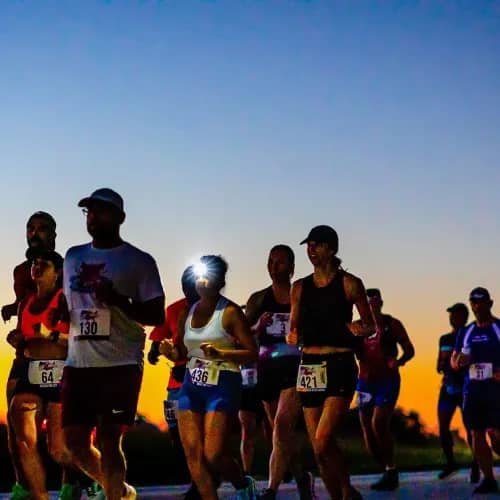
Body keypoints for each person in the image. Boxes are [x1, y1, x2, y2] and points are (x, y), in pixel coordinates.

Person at [61, 188, 165, 500]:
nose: (93, 217)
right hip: (79, 363)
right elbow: (71, 305)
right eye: (89, 211)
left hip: (120, 363)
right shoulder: (73, 257)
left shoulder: (138, 261)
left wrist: (118, 300)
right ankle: (119, 491)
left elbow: (156, 315)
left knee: (109, 439)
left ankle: (114, 496)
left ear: (120, 218)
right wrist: (60, 314)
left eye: (101, 211)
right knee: (74, 442)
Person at [288, 225, 375, 500]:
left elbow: (370, 324)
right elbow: (293, 327)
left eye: (317, 244)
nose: (311, 250)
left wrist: (360, 328)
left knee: (323, 439)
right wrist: (292, 335)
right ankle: (340, 495)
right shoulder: (299, 287)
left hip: (339, 363)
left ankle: (348, 489)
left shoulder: (350, 283)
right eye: (308, 245)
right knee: (318, 449)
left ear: (332, 248)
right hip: (309, 365)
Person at [161, 255, 258, 500]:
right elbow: (182, 353)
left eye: (208, 276)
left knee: (213, 455)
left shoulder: (230, 312)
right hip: (192, 384)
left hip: (223, 383)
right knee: (193, 454)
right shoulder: (187, 312)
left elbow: (252, 353)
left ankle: (243, 484)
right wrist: (169, 351)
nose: (202, 281)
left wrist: (221, 353)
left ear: (220, 281)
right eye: (199, 276)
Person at [245, 245, 315, 499]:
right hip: (267, 370)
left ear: (292, 268)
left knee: (282, 426)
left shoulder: (303, 297)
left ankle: (271, 489)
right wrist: (257, 326)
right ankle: (302, 478)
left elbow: (317, 329)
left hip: (296, 367)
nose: (274, 267)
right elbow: (241, 333)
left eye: (280, 262)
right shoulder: (258, 299)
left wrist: (302, 333)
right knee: (280, 433)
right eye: (271, 261)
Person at [7, 249, 73, 500]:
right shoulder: (25, 303)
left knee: (58, 450)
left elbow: (75, 340)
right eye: (35, 263)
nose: (37, 266)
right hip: (31, 373)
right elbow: (24, 340)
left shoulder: (65, 300)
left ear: (58, 272)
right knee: (24, 440)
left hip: (60, 374)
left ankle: (104, 478)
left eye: (45, 264)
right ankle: (40, 496)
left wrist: (50, 336)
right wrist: (18, 340)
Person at [2, 212, 56, 500]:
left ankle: (77, 481)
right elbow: (26, 301)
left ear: (53, 234)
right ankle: (24, 485)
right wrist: (13, 308)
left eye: (42, 229)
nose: (35, 233)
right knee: (16, 428)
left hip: (56, 355)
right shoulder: (21, 271)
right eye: (30, 228)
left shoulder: (63, 268)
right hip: (24, 355)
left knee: (60, 440)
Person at [148, 266, 201, 500]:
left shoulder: (215, 310)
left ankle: (200, 483)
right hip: (176, 383)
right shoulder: (173, 310)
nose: (190, 287)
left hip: (203, 381)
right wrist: (154, 351)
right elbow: (158, 337)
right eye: (186, 283)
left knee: (198, 434)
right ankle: (195, 477)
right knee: (177, 435)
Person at [356, 288, 415, 491]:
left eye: (374, 303)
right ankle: (388, 470)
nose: (371, 308)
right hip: (365, 381)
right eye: (367, 304)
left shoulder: (392, 324)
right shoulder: (358, 326)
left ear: (380, 304)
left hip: (387, 380)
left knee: (379, 422)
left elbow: (410, 349)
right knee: (367, 431)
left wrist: (399, 361)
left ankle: (390, 469)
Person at [451, 287, 500, 495]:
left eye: (481, 302)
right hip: (472, 390)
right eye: (474, 303)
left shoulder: (497, 328)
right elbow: (454, 361)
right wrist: (459, 362)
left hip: (495, 390)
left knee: (495, 434)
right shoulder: (466, 332)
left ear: (490, 303)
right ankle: (489, 479)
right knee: (476, 433)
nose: (477, 307)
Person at [437, 302, 478, 482]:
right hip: (447, 387)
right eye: (450, 315)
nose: (452, 318)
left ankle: (477, 464)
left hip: (466, 388)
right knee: (443, 426)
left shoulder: (471, 336)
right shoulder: (444, 339)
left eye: (455, 315)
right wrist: (443, 364)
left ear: (464, 317)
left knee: (470, 428)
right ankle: (450, 463)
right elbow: (439, 364)